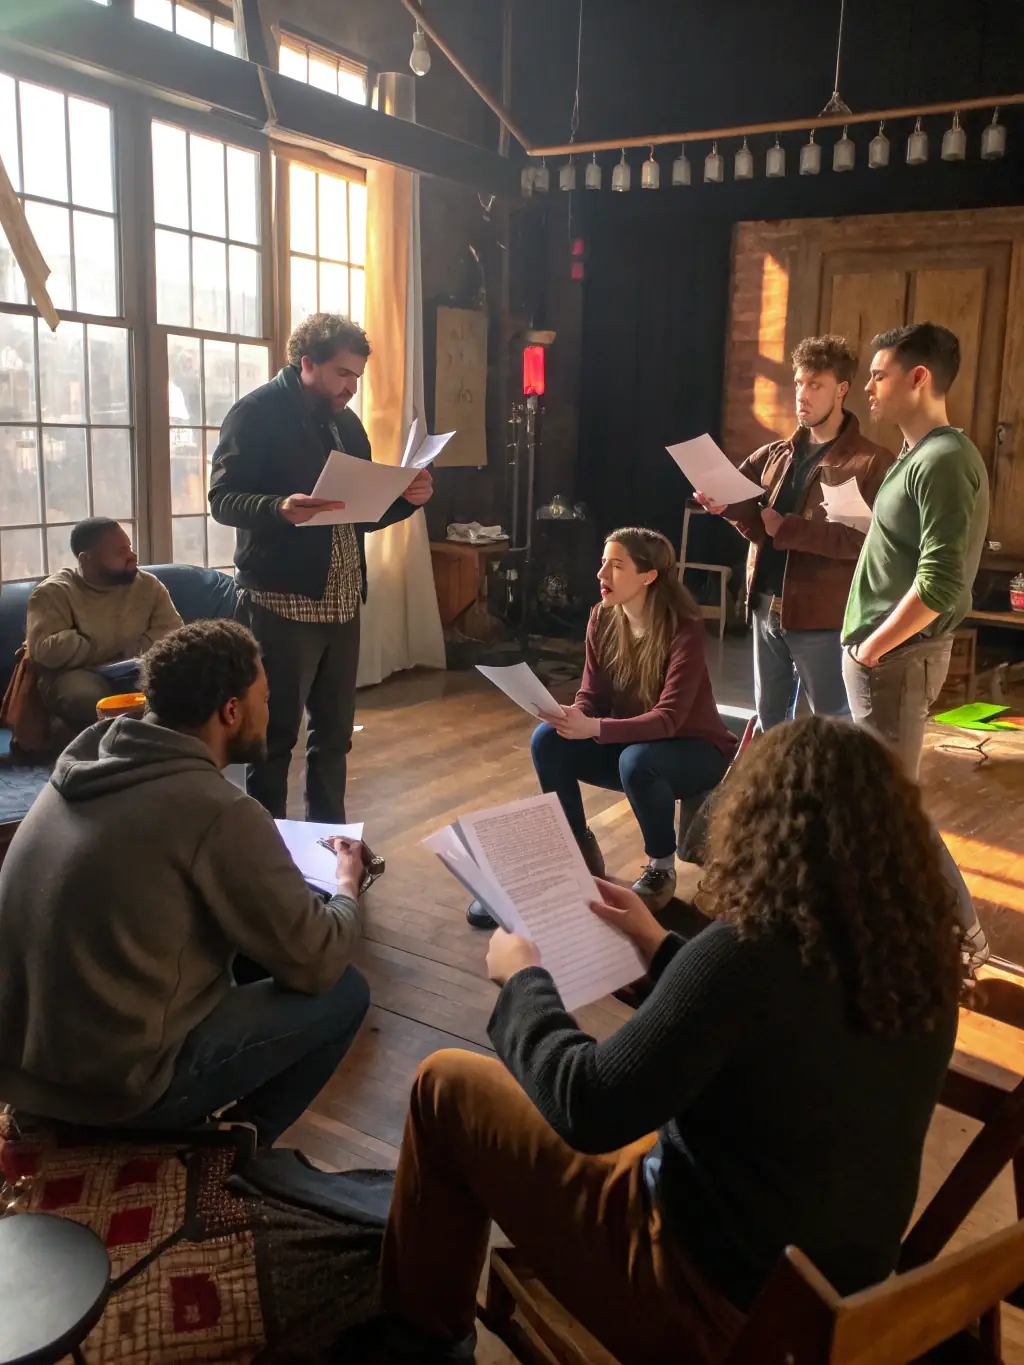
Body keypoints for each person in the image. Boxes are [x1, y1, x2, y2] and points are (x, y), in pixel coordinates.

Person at [376, 718, 961, 1365]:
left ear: (762, 827)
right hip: (834, 1305)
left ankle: (424, 1341)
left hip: (711, 1306)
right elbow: (780, 1030)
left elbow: (587, 1105)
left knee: (444, 1084)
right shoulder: (917, 960)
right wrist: (659, 947)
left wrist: (523, 982)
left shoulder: (746, 955)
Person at [0, 619, 370, 1146]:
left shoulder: (87, 762)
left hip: (23, 1069)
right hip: (116, 1091)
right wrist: (346, 884)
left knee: (259, 936)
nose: (271, 712)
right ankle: (232, 1149)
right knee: (343, 990)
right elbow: (319, 960)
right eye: (266, 699)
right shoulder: (217, 810)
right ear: (231, 711)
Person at [208, 313, 434, 823]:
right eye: (342, 373)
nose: (351, 387)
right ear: (306, 363)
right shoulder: (255, 413)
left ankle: (330, 841)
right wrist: (278, 508)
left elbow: (361, 516)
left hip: (343, 596)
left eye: (357, 376)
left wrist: (407, 499)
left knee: (334, 734)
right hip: (282, 598)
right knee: (274, 735)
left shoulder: (347, 424)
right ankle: (266, 846)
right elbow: (221, 499)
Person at [489, 528, 736, 921]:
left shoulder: (684, 626)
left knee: (637, 762)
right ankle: (577, 849)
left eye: (617, 565)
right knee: (548, 739)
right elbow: (592, 694)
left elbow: (669, 718)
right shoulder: (602, 617)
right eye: (603, 563)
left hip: (696, 749)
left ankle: (660, 868)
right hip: (636, 742)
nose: (602, 574)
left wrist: (596, 729)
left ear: (648, 576)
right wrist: (573, 715)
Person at [695, 335, 893, 734]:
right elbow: (753, 517)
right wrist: (723, 505)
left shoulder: (871, 462)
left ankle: (831, 780)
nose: (802, 394)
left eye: (815, 385)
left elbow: (871, 545)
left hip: (823, 615)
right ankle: (776, 778)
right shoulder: (776, 454)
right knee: (769, 721)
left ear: (842, 389)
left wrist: (790, 530)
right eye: (799, 382)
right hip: (764, 605)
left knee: (832, 725)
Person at [842, 322, 990, 779]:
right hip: (889, 658)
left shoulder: (943, 459)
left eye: (879, 376)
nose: (868, 387)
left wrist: (872, 650)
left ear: (918, 378)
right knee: (876, 800)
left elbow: (940, 583)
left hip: (896, 659)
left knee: (887, 804)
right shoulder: (917, 452)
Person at [26, 518, 182, 731]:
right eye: (120, 552)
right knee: (87, 697)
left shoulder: (148, 585)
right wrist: (120, 642)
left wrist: (93, 643)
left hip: (137, 668)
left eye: (130, 548)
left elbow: (172, 634)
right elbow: (47, 651)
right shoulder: (54, 592)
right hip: (76, 675)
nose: (132, 556)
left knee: (178, 686)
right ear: (86, 559)